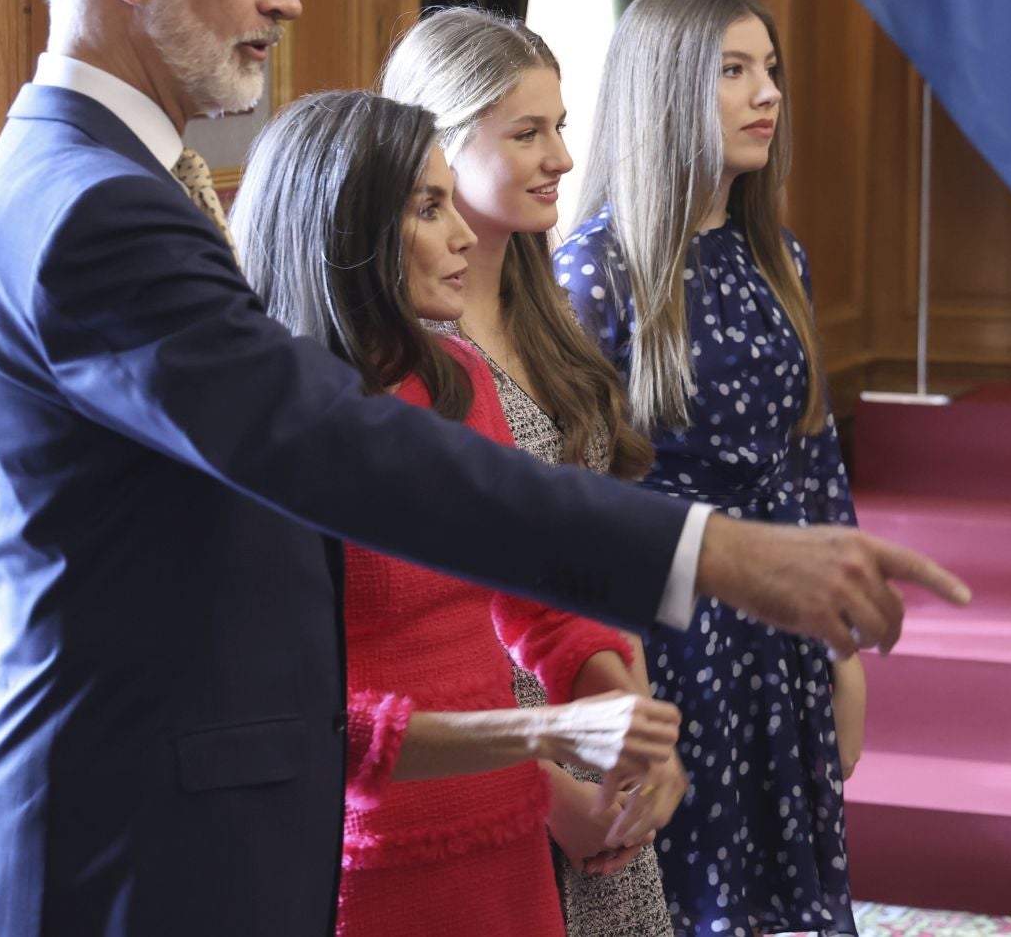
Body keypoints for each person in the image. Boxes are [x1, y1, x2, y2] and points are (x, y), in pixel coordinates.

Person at [0, 0, 967, 936]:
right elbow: (334, 448)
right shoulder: (90, 208)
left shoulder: (107, 179)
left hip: (193, 827)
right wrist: (709, 549)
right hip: (128, 850)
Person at [228, 89, 679, 933]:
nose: (466, 234)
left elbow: (543, 598)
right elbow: (319, 724)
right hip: (368, 866)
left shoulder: (460, 380)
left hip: (506, 849)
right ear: (344, 232)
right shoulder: (270, 427)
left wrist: (624, 719)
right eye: (429, 208)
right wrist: (545, 733)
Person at [557, 0, 869, 936]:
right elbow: (573, 494)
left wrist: (843, 633)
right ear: (665, 89)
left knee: (788, 893)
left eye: (769, 69)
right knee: (691, 898)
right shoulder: (595, 267)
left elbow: (811, 458)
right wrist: (610, 675)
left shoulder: (779, 253)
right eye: (734, 71)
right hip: (667, 633)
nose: (768, 93)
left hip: (778, 619)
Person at [380, 6, 680, 936]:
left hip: (593, 711)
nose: (560, 157)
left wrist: (634, 729)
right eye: (527, 132)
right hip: (487, 753)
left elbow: (586, 563)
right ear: (436, 148)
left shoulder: (555, 319)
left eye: (561, 127)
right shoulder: (408, 354)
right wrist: (552, 792)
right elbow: (413, 634)